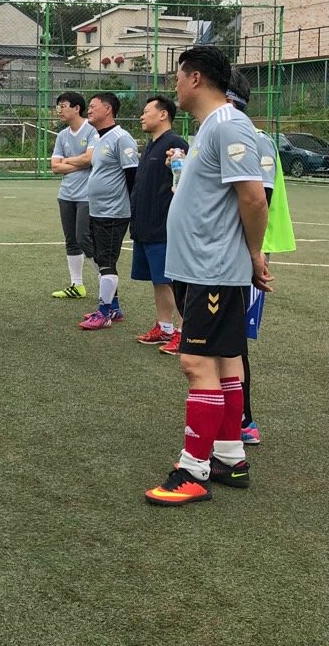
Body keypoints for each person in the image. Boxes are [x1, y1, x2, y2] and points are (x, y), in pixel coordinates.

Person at [144, 46, 270, 506]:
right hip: (204, 266)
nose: (174, 85)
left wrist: (254, 254)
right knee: (225, 361)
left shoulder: (229, 125)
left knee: (196, 364)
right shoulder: (211, 127)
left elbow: (253, 198)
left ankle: (193, 470)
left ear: (195, 78)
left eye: (178, 76)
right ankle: (230, 458)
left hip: (212, 268)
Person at [223, 71, 293, 444]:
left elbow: (257, 200)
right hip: (225, 255)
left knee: (235, 340)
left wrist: (254, 255)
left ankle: (244, 421)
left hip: (246, 256)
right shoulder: (223, 134)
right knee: (225, 338)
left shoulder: (255, 140)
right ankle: (231, 416)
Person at [60, 92, 138, 331]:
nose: (89, 110)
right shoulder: (101, 138)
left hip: (113, 213)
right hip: (98, 210)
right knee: (103, 259)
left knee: (106, 261)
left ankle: (104, 312)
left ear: (108, 109)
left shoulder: (121, 138)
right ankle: (113, 307)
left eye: (93, 106)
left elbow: (133, 177)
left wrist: (133, 211)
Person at [130, 96, 189, 347]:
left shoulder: (175, 143)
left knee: (173, 281)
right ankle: (165, 327)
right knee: (158, 280)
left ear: (163, 114)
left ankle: (185, 333)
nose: (141, 116)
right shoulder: (151, 145)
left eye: (146, 111)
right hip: (145, 227)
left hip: (164, 228)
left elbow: (184, 181)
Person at [49, 92, 98, 299]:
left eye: (63, 106)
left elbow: (90, 159)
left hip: (86, 195)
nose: (59, 110)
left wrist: (67, 161)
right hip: (66, 194)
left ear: (77, 108)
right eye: (58, 106)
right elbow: (54, 167)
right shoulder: (62, 135)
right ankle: (77, 285)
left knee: (83, 238)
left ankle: (106, 282)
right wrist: (79, 162)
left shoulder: (92, 130)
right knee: (71, 240)